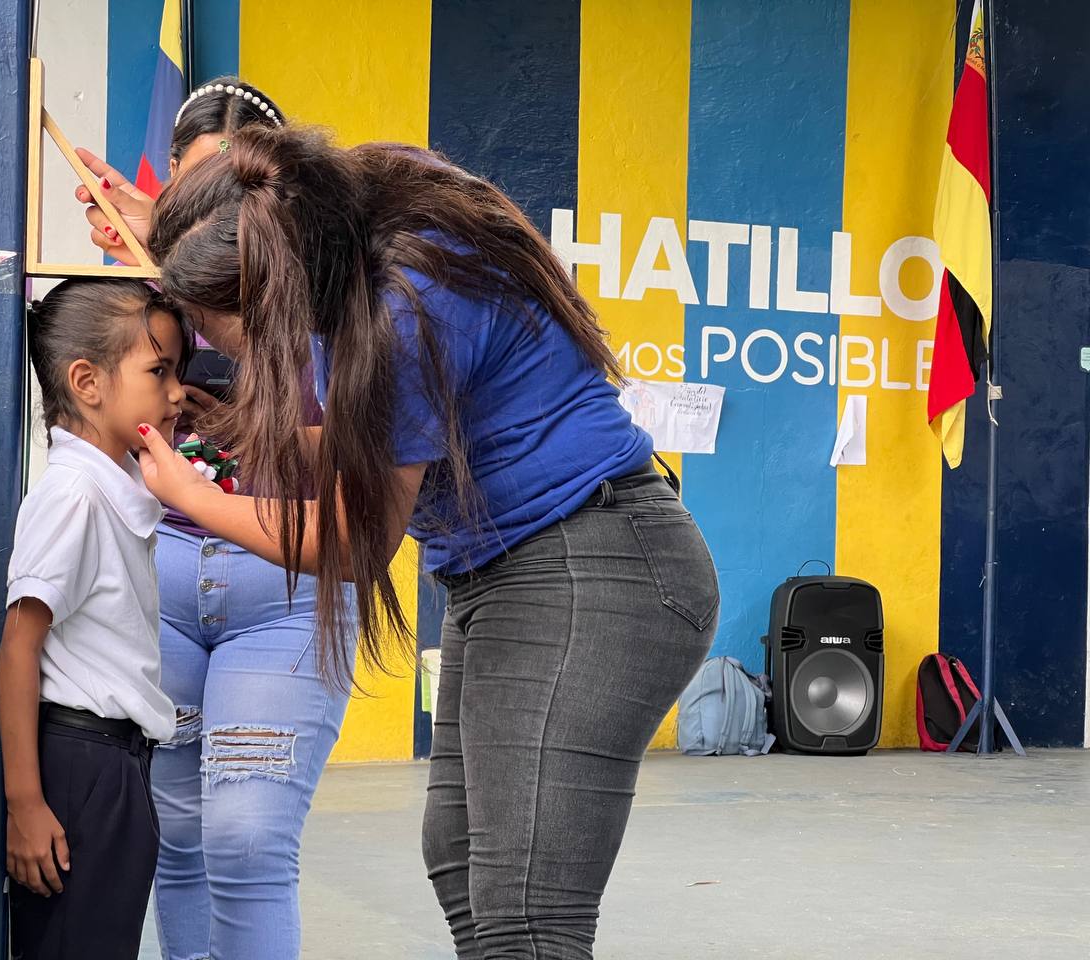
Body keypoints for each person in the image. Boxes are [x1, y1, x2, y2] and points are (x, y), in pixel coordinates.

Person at [133, 122, 722, 959]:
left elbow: (357, 537)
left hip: (594, 565)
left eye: (205, 316)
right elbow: (374, 439)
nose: (200, 336)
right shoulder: (362, 207)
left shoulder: (403, 307)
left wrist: (192, 493)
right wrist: (235, 430)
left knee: (525, 910)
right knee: (460, 861)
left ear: (273, 288)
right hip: (509, 572)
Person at [73, 80, 356, 960]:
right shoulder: (163, 286)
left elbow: (350, 479)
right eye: (192, 199)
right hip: (164, 588)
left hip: (281, 591)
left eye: (231, 195)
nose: (213, 222)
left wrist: (222, 426)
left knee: (246, 838)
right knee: (180, 840)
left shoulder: (338, 295)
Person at [0, 278, 190, 959]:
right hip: (79, 767)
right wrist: (26, 802)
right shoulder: (74, 497)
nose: (178, 394)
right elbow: (19, 647)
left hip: (116, 766)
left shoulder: (114, 491)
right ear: (87, 382)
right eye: (160, 371)